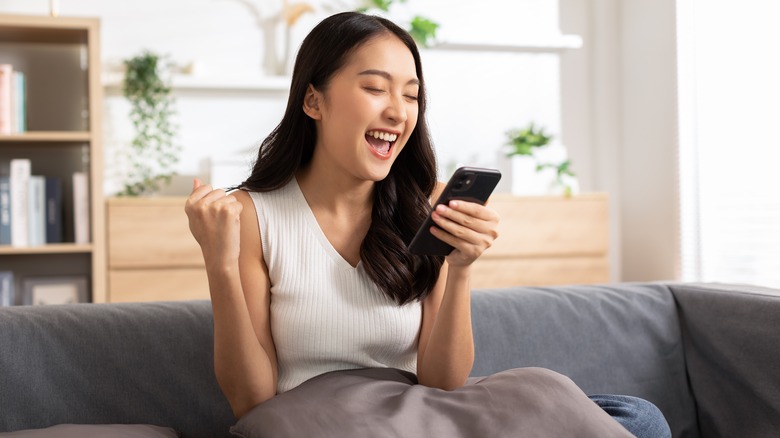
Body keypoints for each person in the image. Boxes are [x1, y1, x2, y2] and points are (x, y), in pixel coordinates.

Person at [185, 11, 671, 438]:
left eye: (412, 95)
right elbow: (251, 402)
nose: (398, 111)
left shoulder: (422, 208)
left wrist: (459, 269)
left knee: (638, 417)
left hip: (416, 415)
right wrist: (220, 267)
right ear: (313, 101)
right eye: (374, 88)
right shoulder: (253, 215)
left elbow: (444, 382)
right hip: (322, 424)